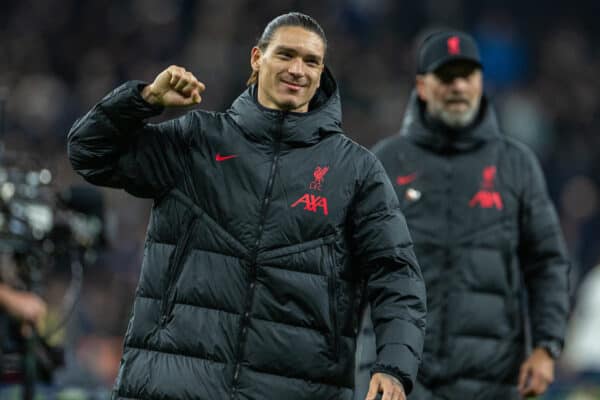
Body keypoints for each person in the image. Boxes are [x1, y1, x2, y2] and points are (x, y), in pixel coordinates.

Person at [67, 12, 426, 400]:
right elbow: (89, 152)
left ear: (322, 72)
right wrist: (144, 101)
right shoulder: (197, 140)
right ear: (257, 58)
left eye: (311, 61)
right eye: (286, 55)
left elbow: (396, 274)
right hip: (173, 382)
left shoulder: (355, 170)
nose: (298, 70)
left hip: (296, 388)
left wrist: (393, 366)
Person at [366, 30, 570, 399]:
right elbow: (355, 269)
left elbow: (547, 262)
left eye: (468, 75)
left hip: (490, 378)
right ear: (423, 87)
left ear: (480, 82)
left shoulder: (516, 164)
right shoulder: (386, 161)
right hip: (404, 376)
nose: (458, 86)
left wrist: (546, 345)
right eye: (446, 76)